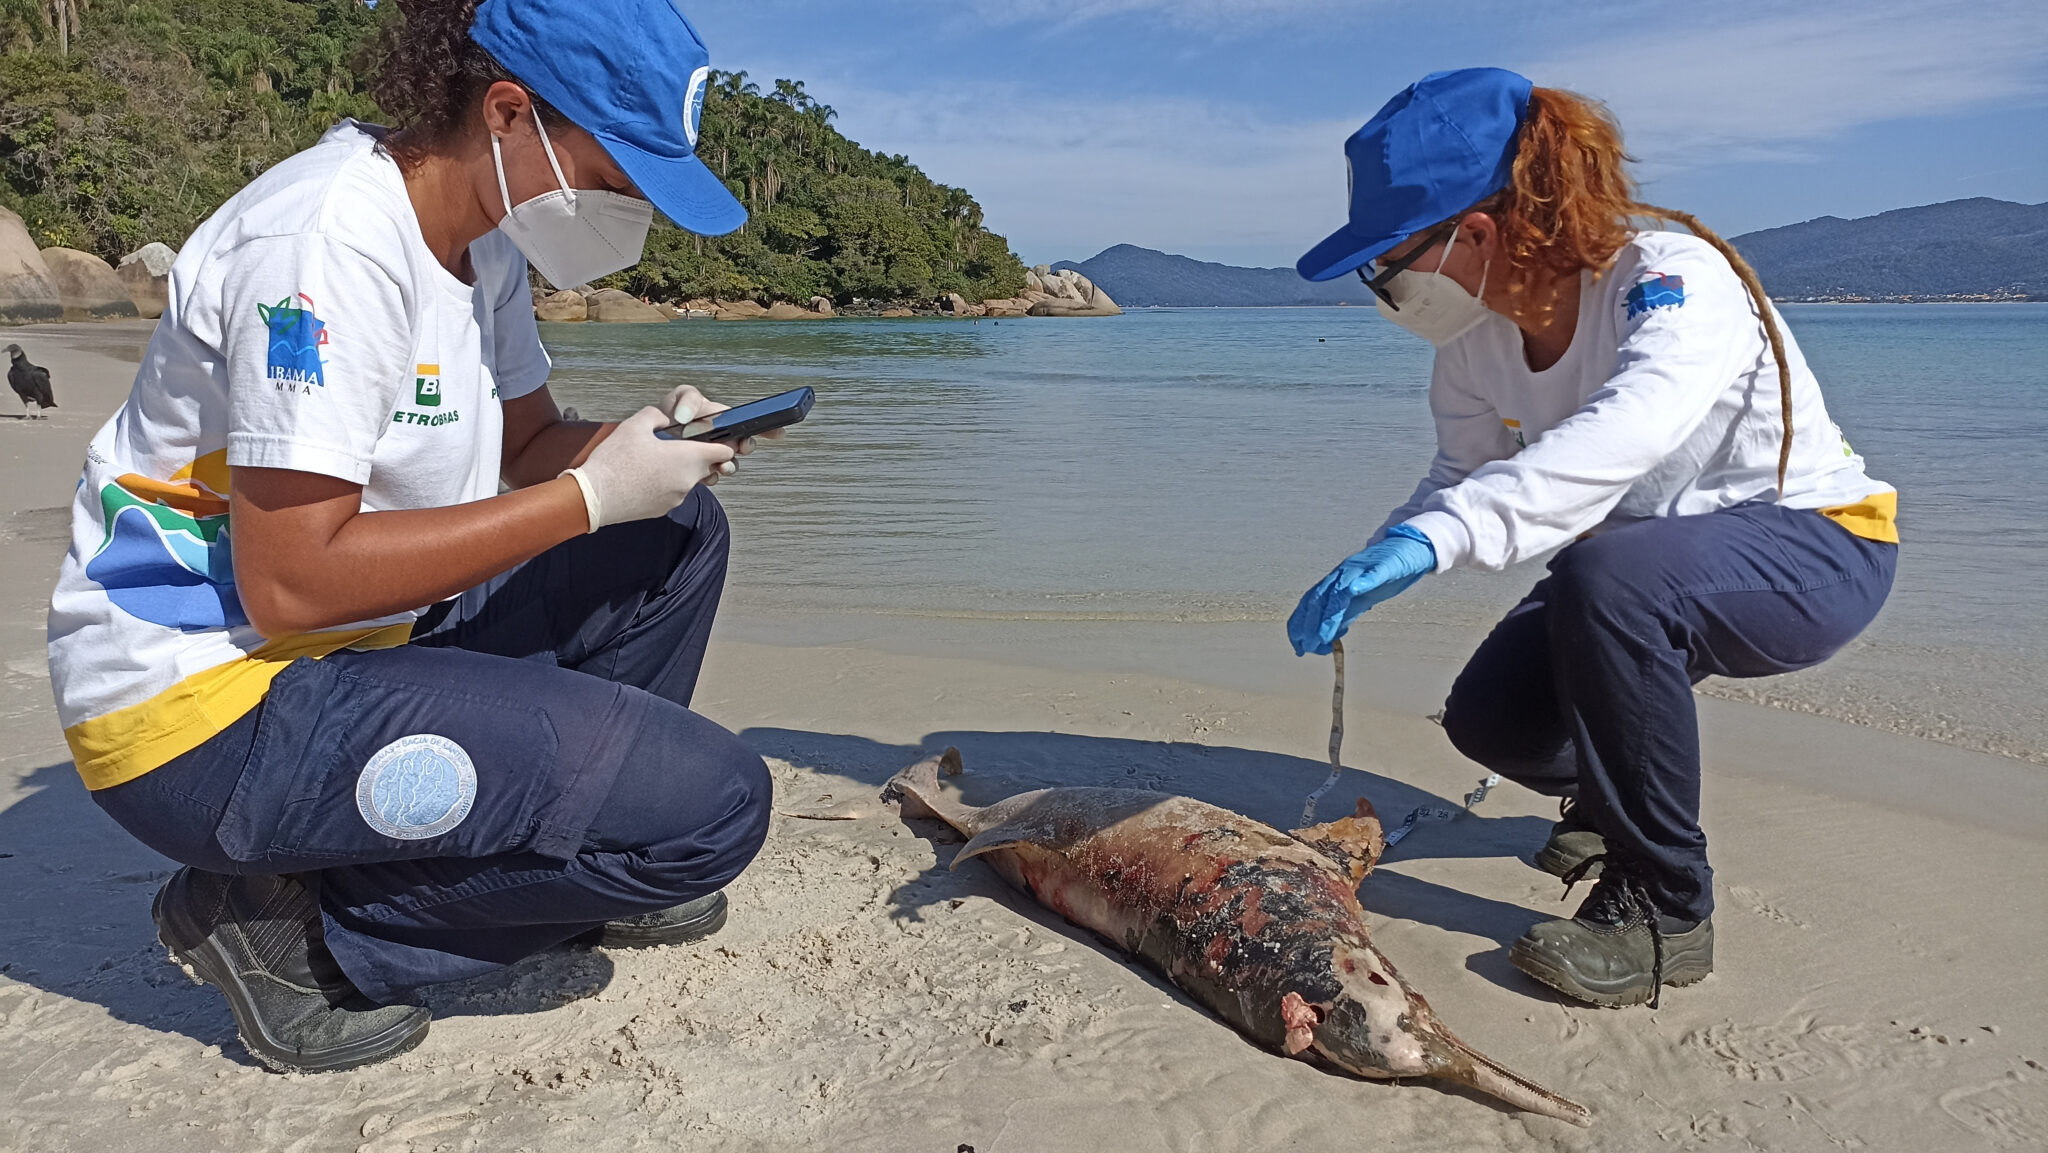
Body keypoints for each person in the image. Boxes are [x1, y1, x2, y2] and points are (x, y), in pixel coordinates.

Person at [47, 0, 774, 1072]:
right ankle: (304, 935)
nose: (625, 210)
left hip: (355, 644)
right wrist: (587, 497)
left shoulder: (485, 245)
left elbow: (527, 444)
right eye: (616, 177)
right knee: (715, 814)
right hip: (208, 714)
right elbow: (293, 584)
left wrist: (641, 452)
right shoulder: (327, 244)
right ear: (509, 113)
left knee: (672, 533)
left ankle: (577, 839)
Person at [1288, 69, 1897, 1008]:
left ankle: (1666, 910)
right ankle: (1621, 808)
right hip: (1639, 572)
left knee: (1606, 573)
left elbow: (1628, 431)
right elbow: (1461, 475)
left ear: (1476, 232)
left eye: (1388, 263)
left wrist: (1443, 538)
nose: (1386, 291)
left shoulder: (1670, 280)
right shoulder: (1474, 349)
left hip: (1816, 548)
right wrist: (1388, 552)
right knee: (1492, 719)